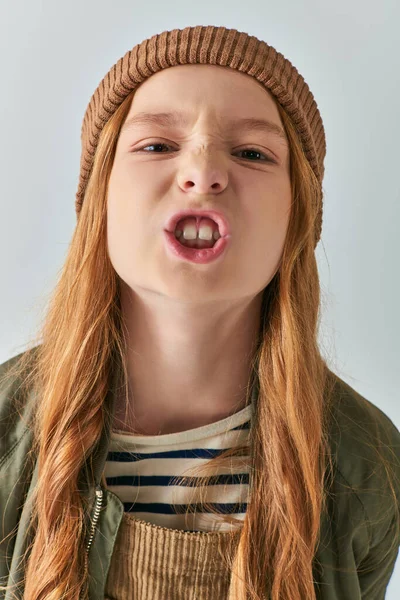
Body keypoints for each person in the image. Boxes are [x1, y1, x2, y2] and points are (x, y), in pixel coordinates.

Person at [0, 24, 399, 600]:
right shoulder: (6, 429)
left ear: (297, 217)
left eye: (253, 153)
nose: (203, 172)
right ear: (99, 202)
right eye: (158, 145)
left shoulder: (366, 462)